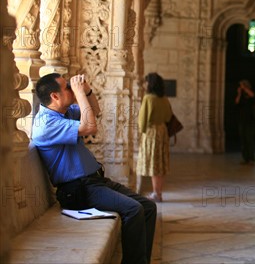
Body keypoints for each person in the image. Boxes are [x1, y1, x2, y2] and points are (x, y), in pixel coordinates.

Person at [31, 73, 157, 264]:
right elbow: (90, 127)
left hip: (95, 181)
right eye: (67, 87)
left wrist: (87, 90)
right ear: (54, 96)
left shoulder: (62, 113)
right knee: (133, 210)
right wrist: (80, 94)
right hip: (79, 189)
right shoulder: (46, 123)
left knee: (148, 206)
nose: (72, 89)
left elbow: (94, 111)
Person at [137, 72, 173, 202]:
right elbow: (169, 116)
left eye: (146, 82)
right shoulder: (164, 98)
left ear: (150, 83)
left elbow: (142, 120)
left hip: (152, 132)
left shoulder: (148, 98)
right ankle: (158, 192)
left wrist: (142, 132)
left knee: (154, 163)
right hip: (162, 131)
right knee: (160, 164)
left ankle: (156, 194)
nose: (144, 85)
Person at [235, 79, 255, 164]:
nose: (241, 87)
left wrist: (245, 88)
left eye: (242, 85)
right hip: (242, 120)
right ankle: (245, 158)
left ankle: (251, 158)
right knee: (243, 140)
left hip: (250, 120)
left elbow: (253, 96)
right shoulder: (241, 95)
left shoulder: (250, 93)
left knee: (249, 139)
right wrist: (239, 93)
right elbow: (236, 102)